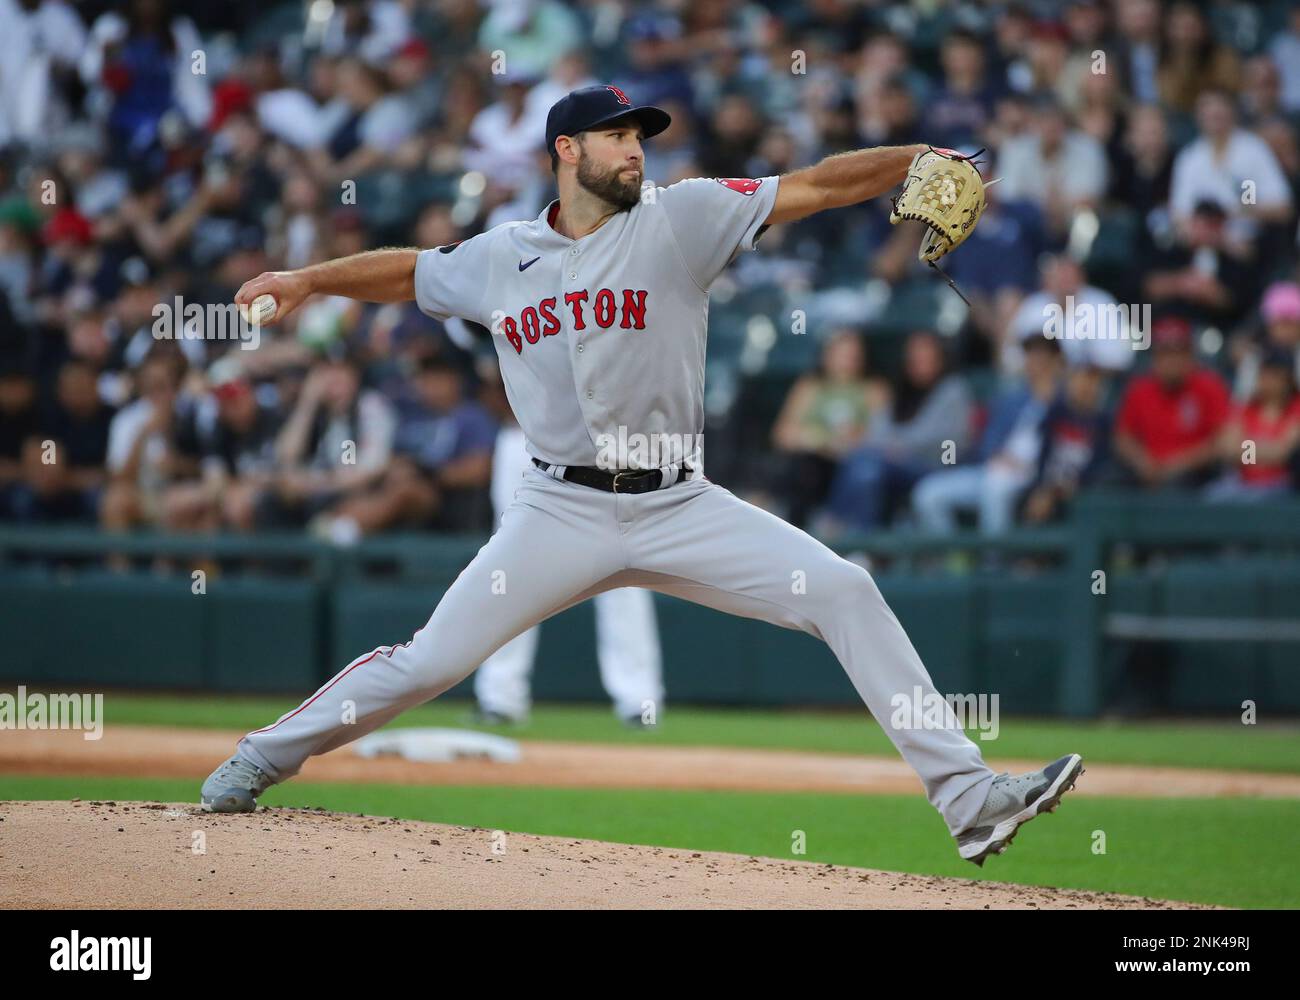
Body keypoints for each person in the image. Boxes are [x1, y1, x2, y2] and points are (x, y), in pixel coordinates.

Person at [202, 84, 1083, 867]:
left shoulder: (682, 217)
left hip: (679, 501)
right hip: (557, 510)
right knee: (429, 661)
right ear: (567, 152)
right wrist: (310, 279)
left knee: (845, 589)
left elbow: (814, 184)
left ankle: (968, 801)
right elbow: (410, 273)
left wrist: (913, 159)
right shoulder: (500, 256)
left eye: (642, 137)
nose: (635, 149)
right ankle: (260, 757)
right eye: (618, 135)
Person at [473, 413, 665, 727]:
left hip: (606, 439)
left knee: (623, 567)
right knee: (510, 569)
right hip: (528, 438)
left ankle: (639, 700)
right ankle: (499, 696)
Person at [913, 335, 1063, 536]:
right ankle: (954, 559)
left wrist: (1030, 467)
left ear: (1056, 362)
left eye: (1041, 356)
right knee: (928, 493)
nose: (1035, 363)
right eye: (1031, 356)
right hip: (994, 469)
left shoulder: (1066, 403)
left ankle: (993, 564)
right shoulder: (1012, 399)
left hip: (1032, 475)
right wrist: (998, 455)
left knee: (996, 487)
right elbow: (988, 442)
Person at [770, 329, 882, 529]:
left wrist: (831, 441)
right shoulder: (810, 387)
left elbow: (879, 438)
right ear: (827, 355)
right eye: (842, 353)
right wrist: (820, 440)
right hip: (807, 465)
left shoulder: (873, 390)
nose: (848, 360)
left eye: (853, 354)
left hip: (847, 467)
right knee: (799, 470)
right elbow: (782, 434)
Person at [1111, 316, 1230, 489]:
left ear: (1190, 356)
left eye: (1178, 353)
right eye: (1165, 353)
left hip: (1194, 475)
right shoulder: (1139, 389)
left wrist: (1179, 464)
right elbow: (1123, 437)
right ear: (1154, 357)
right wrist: (1142, 461)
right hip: (1146, 472)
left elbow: (1223, 440)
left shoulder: (1209, 386)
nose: (1171, 361)